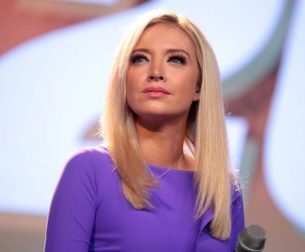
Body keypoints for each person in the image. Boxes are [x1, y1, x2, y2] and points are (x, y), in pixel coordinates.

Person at [44, 10, 244, 252]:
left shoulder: (222, 190)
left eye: (176, 60)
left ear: (199, 86)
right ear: (124, 78)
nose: (156, 72)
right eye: (140, 59)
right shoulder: (89, 170)